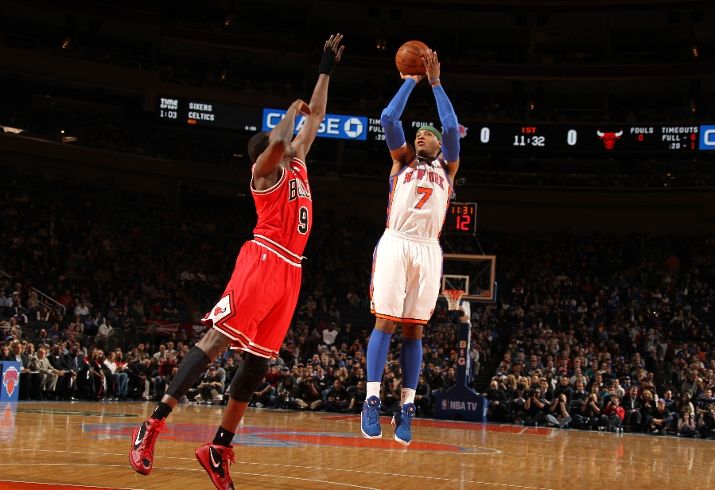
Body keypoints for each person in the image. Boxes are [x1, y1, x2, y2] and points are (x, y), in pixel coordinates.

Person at [129, 33, 345, 490]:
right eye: (278, 142)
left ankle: (218, 447)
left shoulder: (299, 162)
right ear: (266, 152)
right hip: (263, 260)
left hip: (291, 270)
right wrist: (289, 112)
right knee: (216, 341)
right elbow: (282, 137)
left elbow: (319, 116)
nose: (287, 142)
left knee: (257, 364)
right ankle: (152, 424)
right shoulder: (263, 173)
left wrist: (324, 69)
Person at [362, 49, 461, 446]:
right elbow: (389, 119)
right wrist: (411, 80)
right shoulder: (401, 161)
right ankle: (371, 401)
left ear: (439, 146)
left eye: (428, 134)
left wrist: (436, 83)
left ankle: (406, 406)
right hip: (396, 241)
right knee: (384, 321)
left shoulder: (447, 168)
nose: (422, 135)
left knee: (415, 329)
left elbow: (452, 128)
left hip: (428, 249)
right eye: (419, 132)